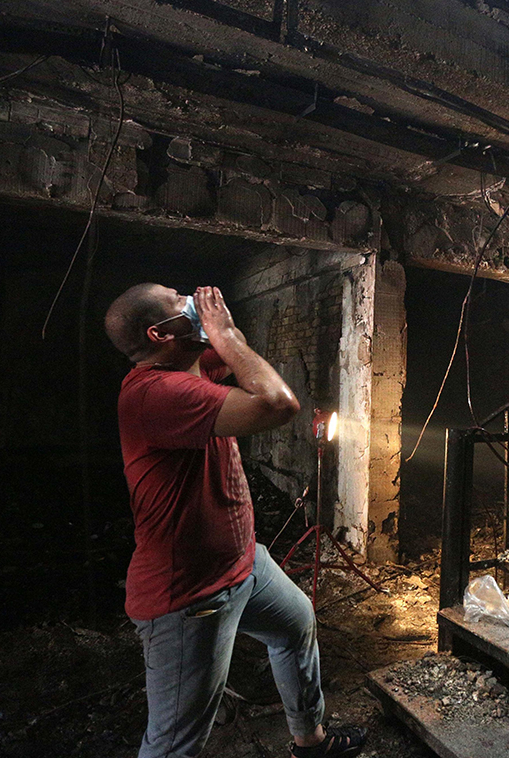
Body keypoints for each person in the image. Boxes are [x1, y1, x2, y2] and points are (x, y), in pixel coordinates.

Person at [104, 283, 367, 758]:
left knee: (294, 625)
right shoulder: (158, 393)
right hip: (190, 593)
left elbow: (235, 354)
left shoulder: (186, 365)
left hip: (243, 563)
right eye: (177, 298)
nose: (189, 297)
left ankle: (311, 742)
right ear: (160, 334)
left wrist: (217, 331)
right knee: (175, 741)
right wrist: (221, 330)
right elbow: (277, 402)